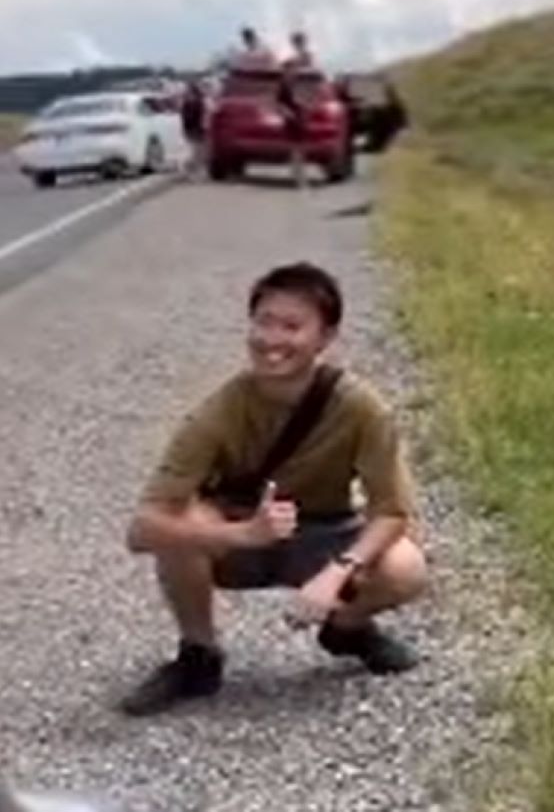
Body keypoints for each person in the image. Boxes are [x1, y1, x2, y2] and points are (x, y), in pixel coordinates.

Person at [119, 262, 429, 718]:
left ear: (325, 338)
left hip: (321, 532)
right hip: (241, 534)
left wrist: (336, 574)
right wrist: (240, 535)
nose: (271, 340)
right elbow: (141, 530)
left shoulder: (362, 408)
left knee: (407, 566)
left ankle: (347, 628)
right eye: (263, 322)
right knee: (180, 525)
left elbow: (391, 511)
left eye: (291, 326)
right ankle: (198, 655)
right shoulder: (220, 410)